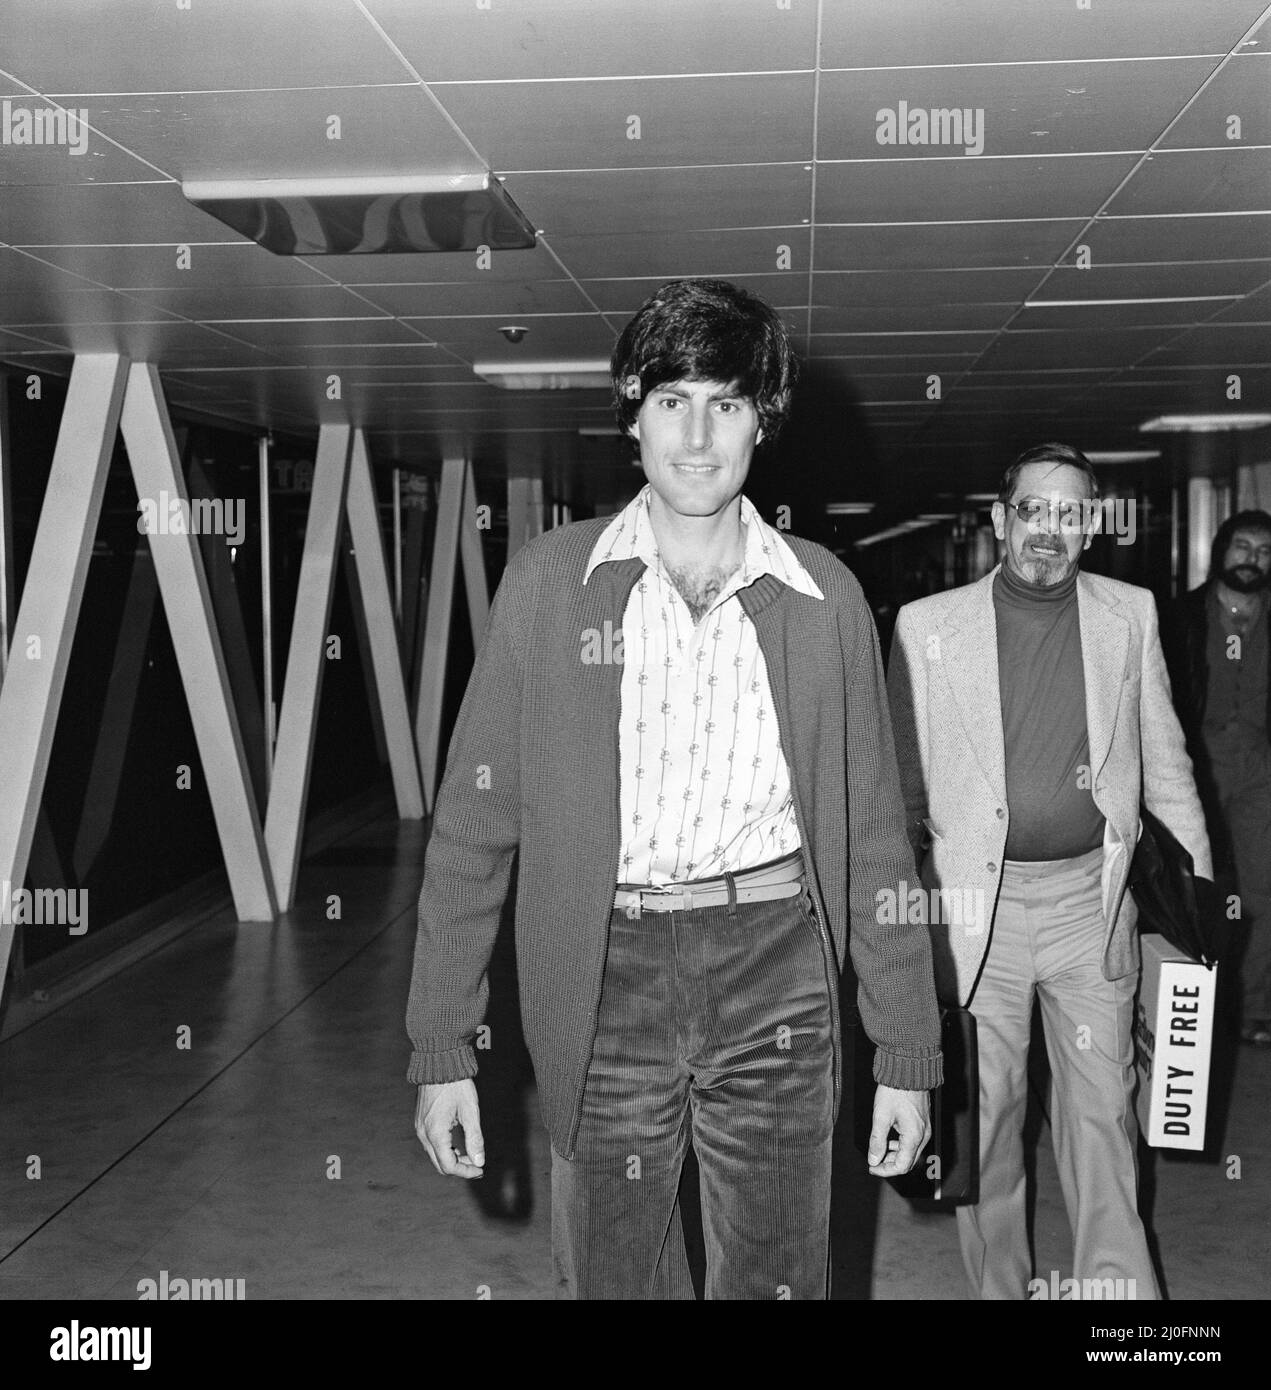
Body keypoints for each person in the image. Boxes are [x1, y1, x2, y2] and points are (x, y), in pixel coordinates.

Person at [405, 278, 943, 1300]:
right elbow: (474, 826)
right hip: (607, 967)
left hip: (774, 957)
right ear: (631, 411)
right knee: (614, 1274)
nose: (697, 436)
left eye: (727, 404)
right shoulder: (550, 585)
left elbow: (875, 842)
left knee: (781, 1275)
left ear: (760, 421)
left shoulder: (822, 597)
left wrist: (905, 1048)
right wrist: (440, 1042)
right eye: (671, 401)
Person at [886, 443, 1211, 1301]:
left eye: (1070, 513)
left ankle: (1121, 1304)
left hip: (1085, 904)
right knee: (984, 1123)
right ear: (1000, 520)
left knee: (1103, 1113)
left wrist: (1200, 910)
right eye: (1033, 509)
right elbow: (902, 794)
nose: (1049, 530)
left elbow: (1165, 762)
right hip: (971, 918)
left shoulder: (1129, 614)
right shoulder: (927, 628)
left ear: (1091, 528)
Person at [1163, 510, 1271, 1047]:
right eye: (1242, 546)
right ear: (1220, 551)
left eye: (1264, 550)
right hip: (1195, 763)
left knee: (1260, 888)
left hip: (1259, 768)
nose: (1251, 558)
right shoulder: (1182, 615)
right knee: (1194, 887)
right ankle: (1190, 1006)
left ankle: (1252, 1009)